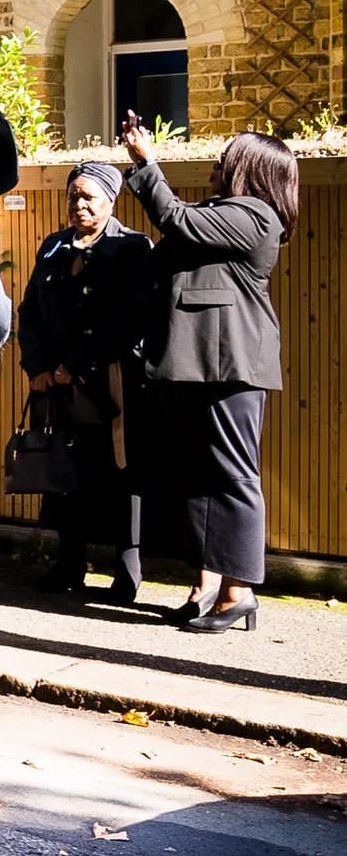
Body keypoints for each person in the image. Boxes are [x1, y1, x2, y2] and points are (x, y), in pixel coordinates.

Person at [122, 120, 295, 634]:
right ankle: (207, 585)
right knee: (196, 476)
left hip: (232, 364)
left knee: (234, 478)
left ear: (249, 170)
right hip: (195, 363)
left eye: (225, 159)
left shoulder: (256, 215)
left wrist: (145, 162)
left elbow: (174, 217)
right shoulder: (220, 214)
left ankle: (240, 591)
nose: (216, 166)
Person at [18, 160, 153, 602]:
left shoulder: (132, 247)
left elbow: (130, 318)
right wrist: (38, 366)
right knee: (65, 471)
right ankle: (69, 565)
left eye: (89, 197)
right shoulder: (53, 246)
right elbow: (29, 312)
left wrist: (76, 362)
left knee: (120, 473)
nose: (79, 205)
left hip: (111, 383)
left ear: (110, 200)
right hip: (57, 386)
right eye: (73, 196)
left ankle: (127, 574)